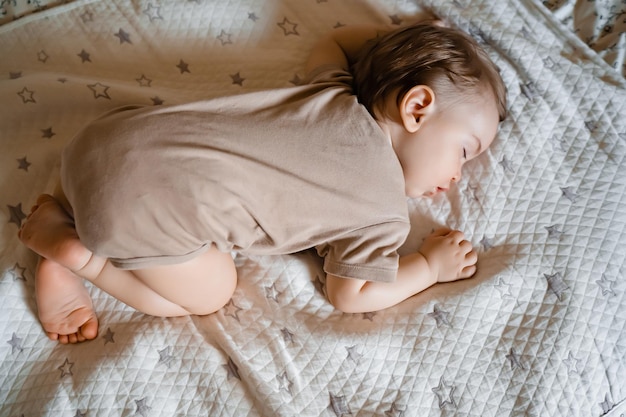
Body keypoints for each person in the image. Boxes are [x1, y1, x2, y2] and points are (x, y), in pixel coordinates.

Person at [18, 21, 507, 344]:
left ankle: (60, 224)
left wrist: (409, 40)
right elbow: (351, 295)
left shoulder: (333, 91)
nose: (458, 175)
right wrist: (427, 266)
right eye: (464, 151)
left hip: (101, 140)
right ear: (417, 108)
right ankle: (78, 256)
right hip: (133, 215)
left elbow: (333, 38)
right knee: (212, 293)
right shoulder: (382, 212)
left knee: (128, 172)